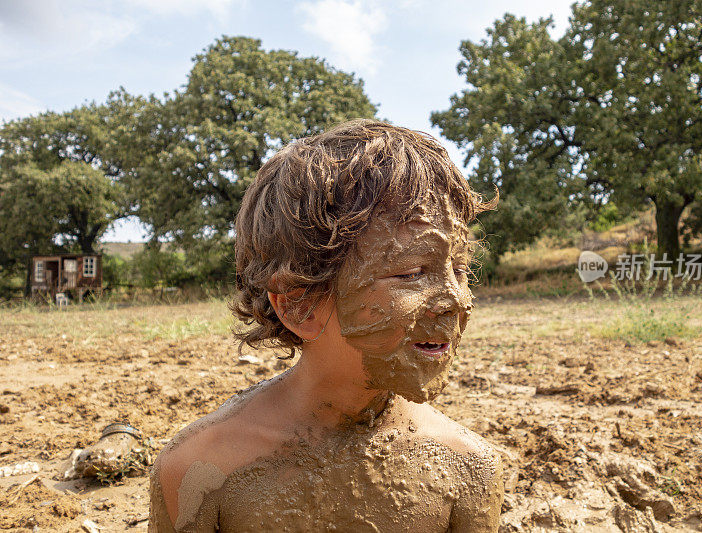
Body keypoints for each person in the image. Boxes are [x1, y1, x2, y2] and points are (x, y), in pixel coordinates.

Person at [148, 119, 503, 532]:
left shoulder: (468, 469)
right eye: (410, 273)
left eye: (459, 269)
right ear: (299, 305)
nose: (455, 299)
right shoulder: (201, 472)